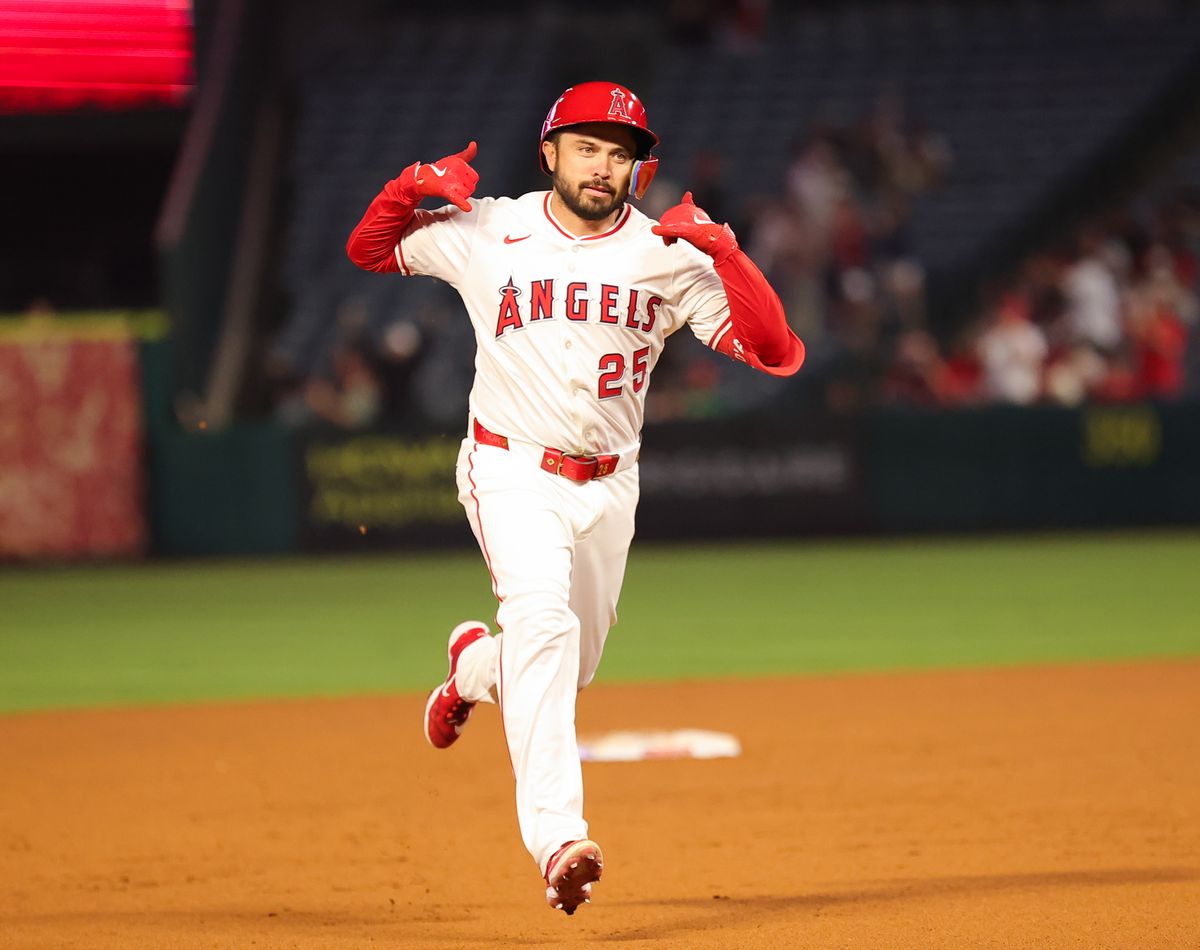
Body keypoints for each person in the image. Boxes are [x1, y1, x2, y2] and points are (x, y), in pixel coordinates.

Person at [346, 81, 804, 915]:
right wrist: (408, 186)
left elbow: (776, 352)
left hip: (610, 482)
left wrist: (728, 253)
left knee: (569, 664)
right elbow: (370, 251)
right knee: (547, 629)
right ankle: (560, 839)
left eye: (621, 152)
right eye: (588, 147)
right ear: (550, 153)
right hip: (510, 466)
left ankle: (474, 669)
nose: (604, 165)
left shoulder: (670, 255)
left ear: (642, 167)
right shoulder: (491, 228)